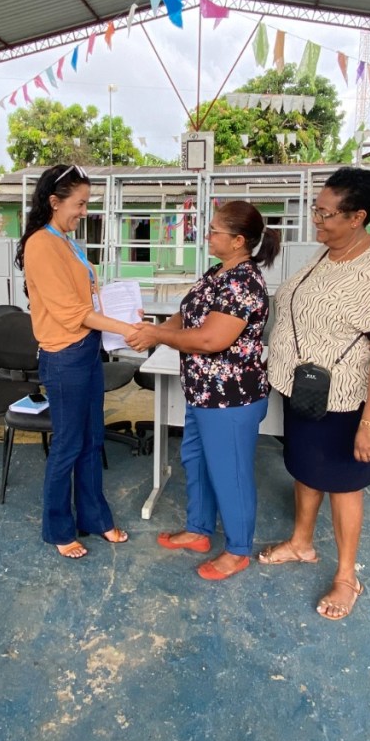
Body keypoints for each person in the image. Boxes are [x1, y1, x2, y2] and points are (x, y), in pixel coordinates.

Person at [262, 167, 370, 620]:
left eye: (326, 214)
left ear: (357, 217)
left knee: (345, 485)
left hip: (345, 401)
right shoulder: (327, 253)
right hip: (305, 392)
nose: (316, 221)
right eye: (316, 210)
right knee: (306, 469)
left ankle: (347, 577)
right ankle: (302, 543)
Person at [126, 201, 281, 580]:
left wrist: (157, 336)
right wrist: (156, 326)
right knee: (195, 460)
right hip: (201, 392)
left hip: (231, 397)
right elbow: (189, 314)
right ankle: (198, 530)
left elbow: (211, 339)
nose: (207, 235)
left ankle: (238, 549)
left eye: (214, 231)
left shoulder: (244, 283)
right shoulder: (217, 273)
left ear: (239, 240)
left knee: (231, 472)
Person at [16, 164, 142, 559]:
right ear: (54, 202)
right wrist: (126, 327)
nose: (84, 211)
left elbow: (88, 299)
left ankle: (95, 518)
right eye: (80, 203)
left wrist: (126, 317)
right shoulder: (41, 244)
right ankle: (58, 528)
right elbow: (73, 312)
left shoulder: (68, 241)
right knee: (69, 443)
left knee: (93, 439)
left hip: (86, 350)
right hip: (63, 357)